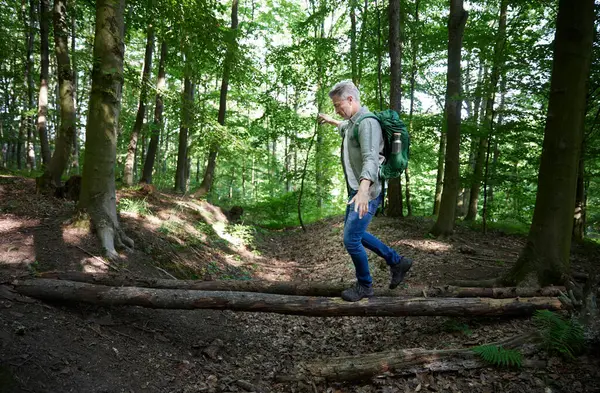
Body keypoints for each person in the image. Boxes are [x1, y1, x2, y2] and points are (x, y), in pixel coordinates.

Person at [318, 80, 413, 302]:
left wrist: (362, 190)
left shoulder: (367, 123)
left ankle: (365, 286)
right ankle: (398, 262)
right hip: (357, 191)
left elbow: (371, 159)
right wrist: (330, 120)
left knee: (351, 240)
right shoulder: (352, 122)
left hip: (367, 192)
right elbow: (344, 128)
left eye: (338, 105)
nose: (336, 109)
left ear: (351, 100)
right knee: (356, 235)